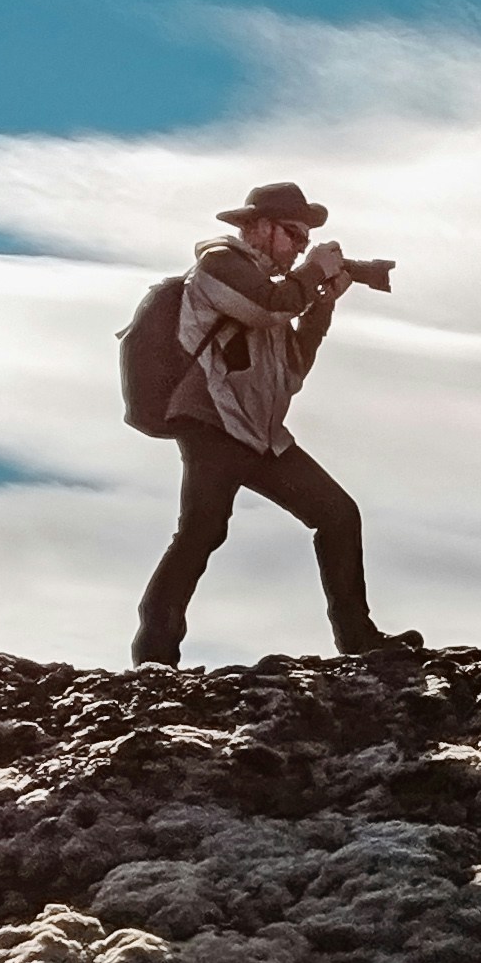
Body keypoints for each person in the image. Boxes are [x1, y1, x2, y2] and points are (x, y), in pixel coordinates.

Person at [131, 181, 390, 664]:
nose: (299, 247)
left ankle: (359, 642)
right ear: (261, 228)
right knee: (203, 530)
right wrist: (315, 274)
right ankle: (155, 656)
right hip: (212, 420)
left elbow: (291, 371)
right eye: (294, 235)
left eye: (304, 240)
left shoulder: (275, 288)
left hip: (258, 434)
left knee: (336, 514)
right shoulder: (219, 264)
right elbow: (270, 307)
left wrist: (323, 302)